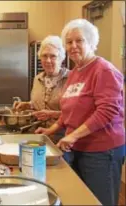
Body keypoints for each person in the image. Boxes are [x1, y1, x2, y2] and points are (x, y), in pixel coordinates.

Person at [35, 19, 125, 205]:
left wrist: (73, 135)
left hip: (102, 151)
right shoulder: (76, 72)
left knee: (99, 201)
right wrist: (50, 130)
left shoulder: (104, 70)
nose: (73, 46)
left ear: (91, 42)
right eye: (69, 42)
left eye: (79, 40)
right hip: (79, 148)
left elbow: (107, 111)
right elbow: (69, 112)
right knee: (81, 199)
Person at [14, 35, 69, 143]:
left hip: (61, 139)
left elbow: (77, 114)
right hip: (37, 134)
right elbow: (38, 103)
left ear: (61, 58)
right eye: (44, 56)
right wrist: (28, 104)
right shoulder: (37, 79)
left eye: (53, 56)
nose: (48, 60)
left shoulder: (71, 79)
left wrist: (53, 114)